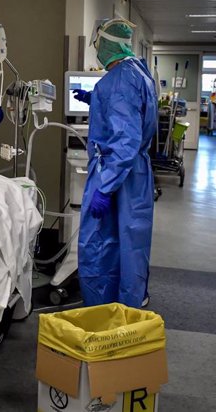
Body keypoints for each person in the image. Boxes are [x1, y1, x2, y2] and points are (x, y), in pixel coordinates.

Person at [74, 18, 158, 309]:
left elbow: (124, 140)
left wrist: (105, 188)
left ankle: (102, 306)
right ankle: (133, 299)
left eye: (97, 43)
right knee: (132, 240)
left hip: (117, 171)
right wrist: (95, 98)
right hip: (136, 172)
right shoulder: (138, 72)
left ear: (106, 43)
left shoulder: (118, 81)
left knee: (99, 242)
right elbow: (133, 115)